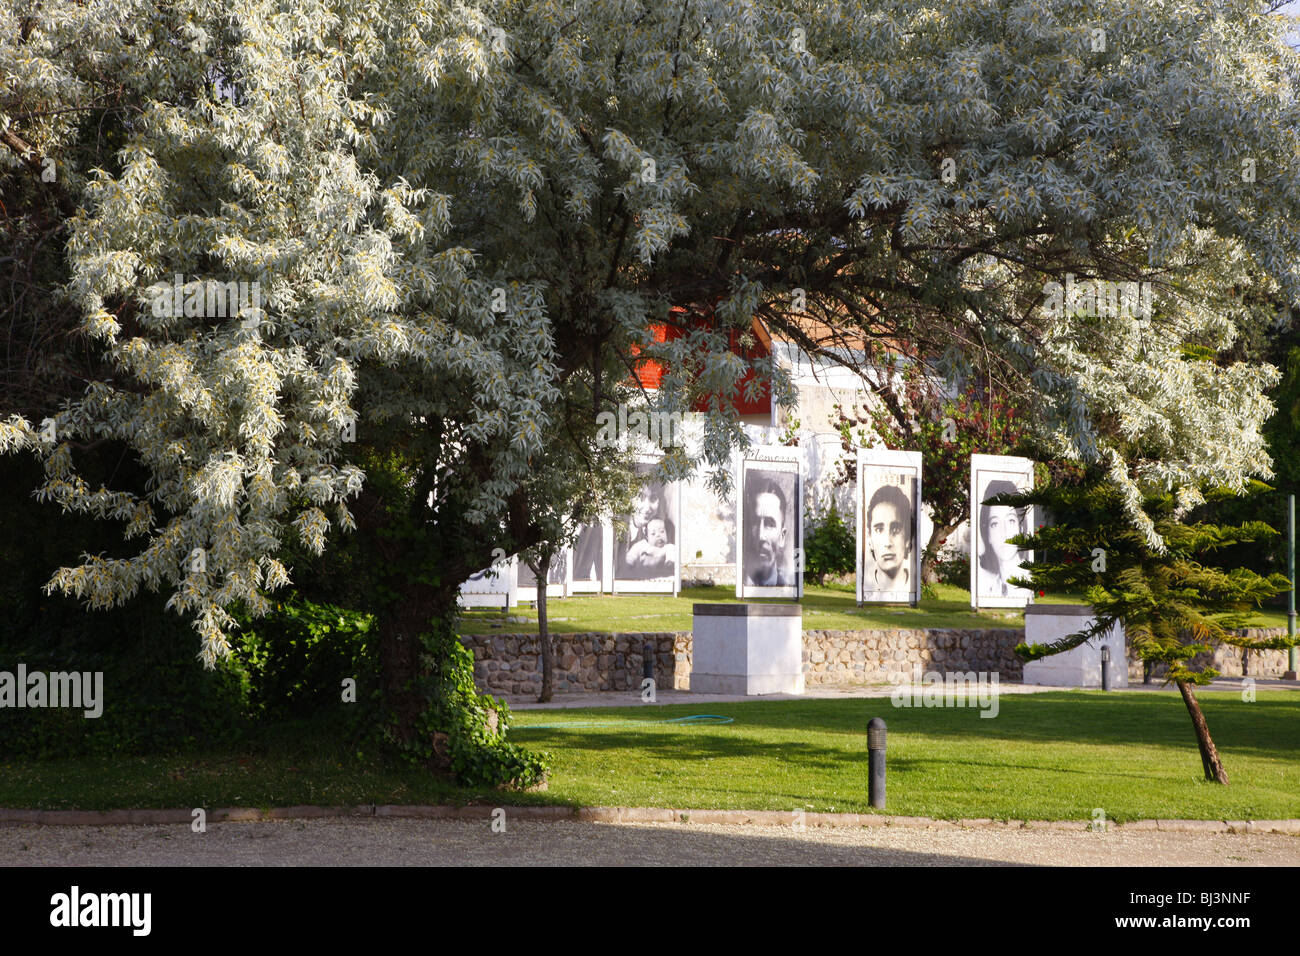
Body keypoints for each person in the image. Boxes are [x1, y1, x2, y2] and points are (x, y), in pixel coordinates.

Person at [979, 478, 1029, 597]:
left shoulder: (1027, 581)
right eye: (995, 524)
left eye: (1011, 521)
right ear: (988, 535)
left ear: (1021, 528)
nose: (1004, 532)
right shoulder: (988, 587)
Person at [865, 483, 912, 593]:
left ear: (907, 538)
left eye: (895, 530)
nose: (887, 542)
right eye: (879, 529)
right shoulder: (867, 586)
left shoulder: (911, 588)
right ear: (870, 539)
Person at [745, 477, 792, 587]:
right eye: (755, 523)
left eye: (770, 524)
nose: (761, 536)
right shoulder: (740, 582)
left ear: (782, 537)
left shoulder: (787, 586)